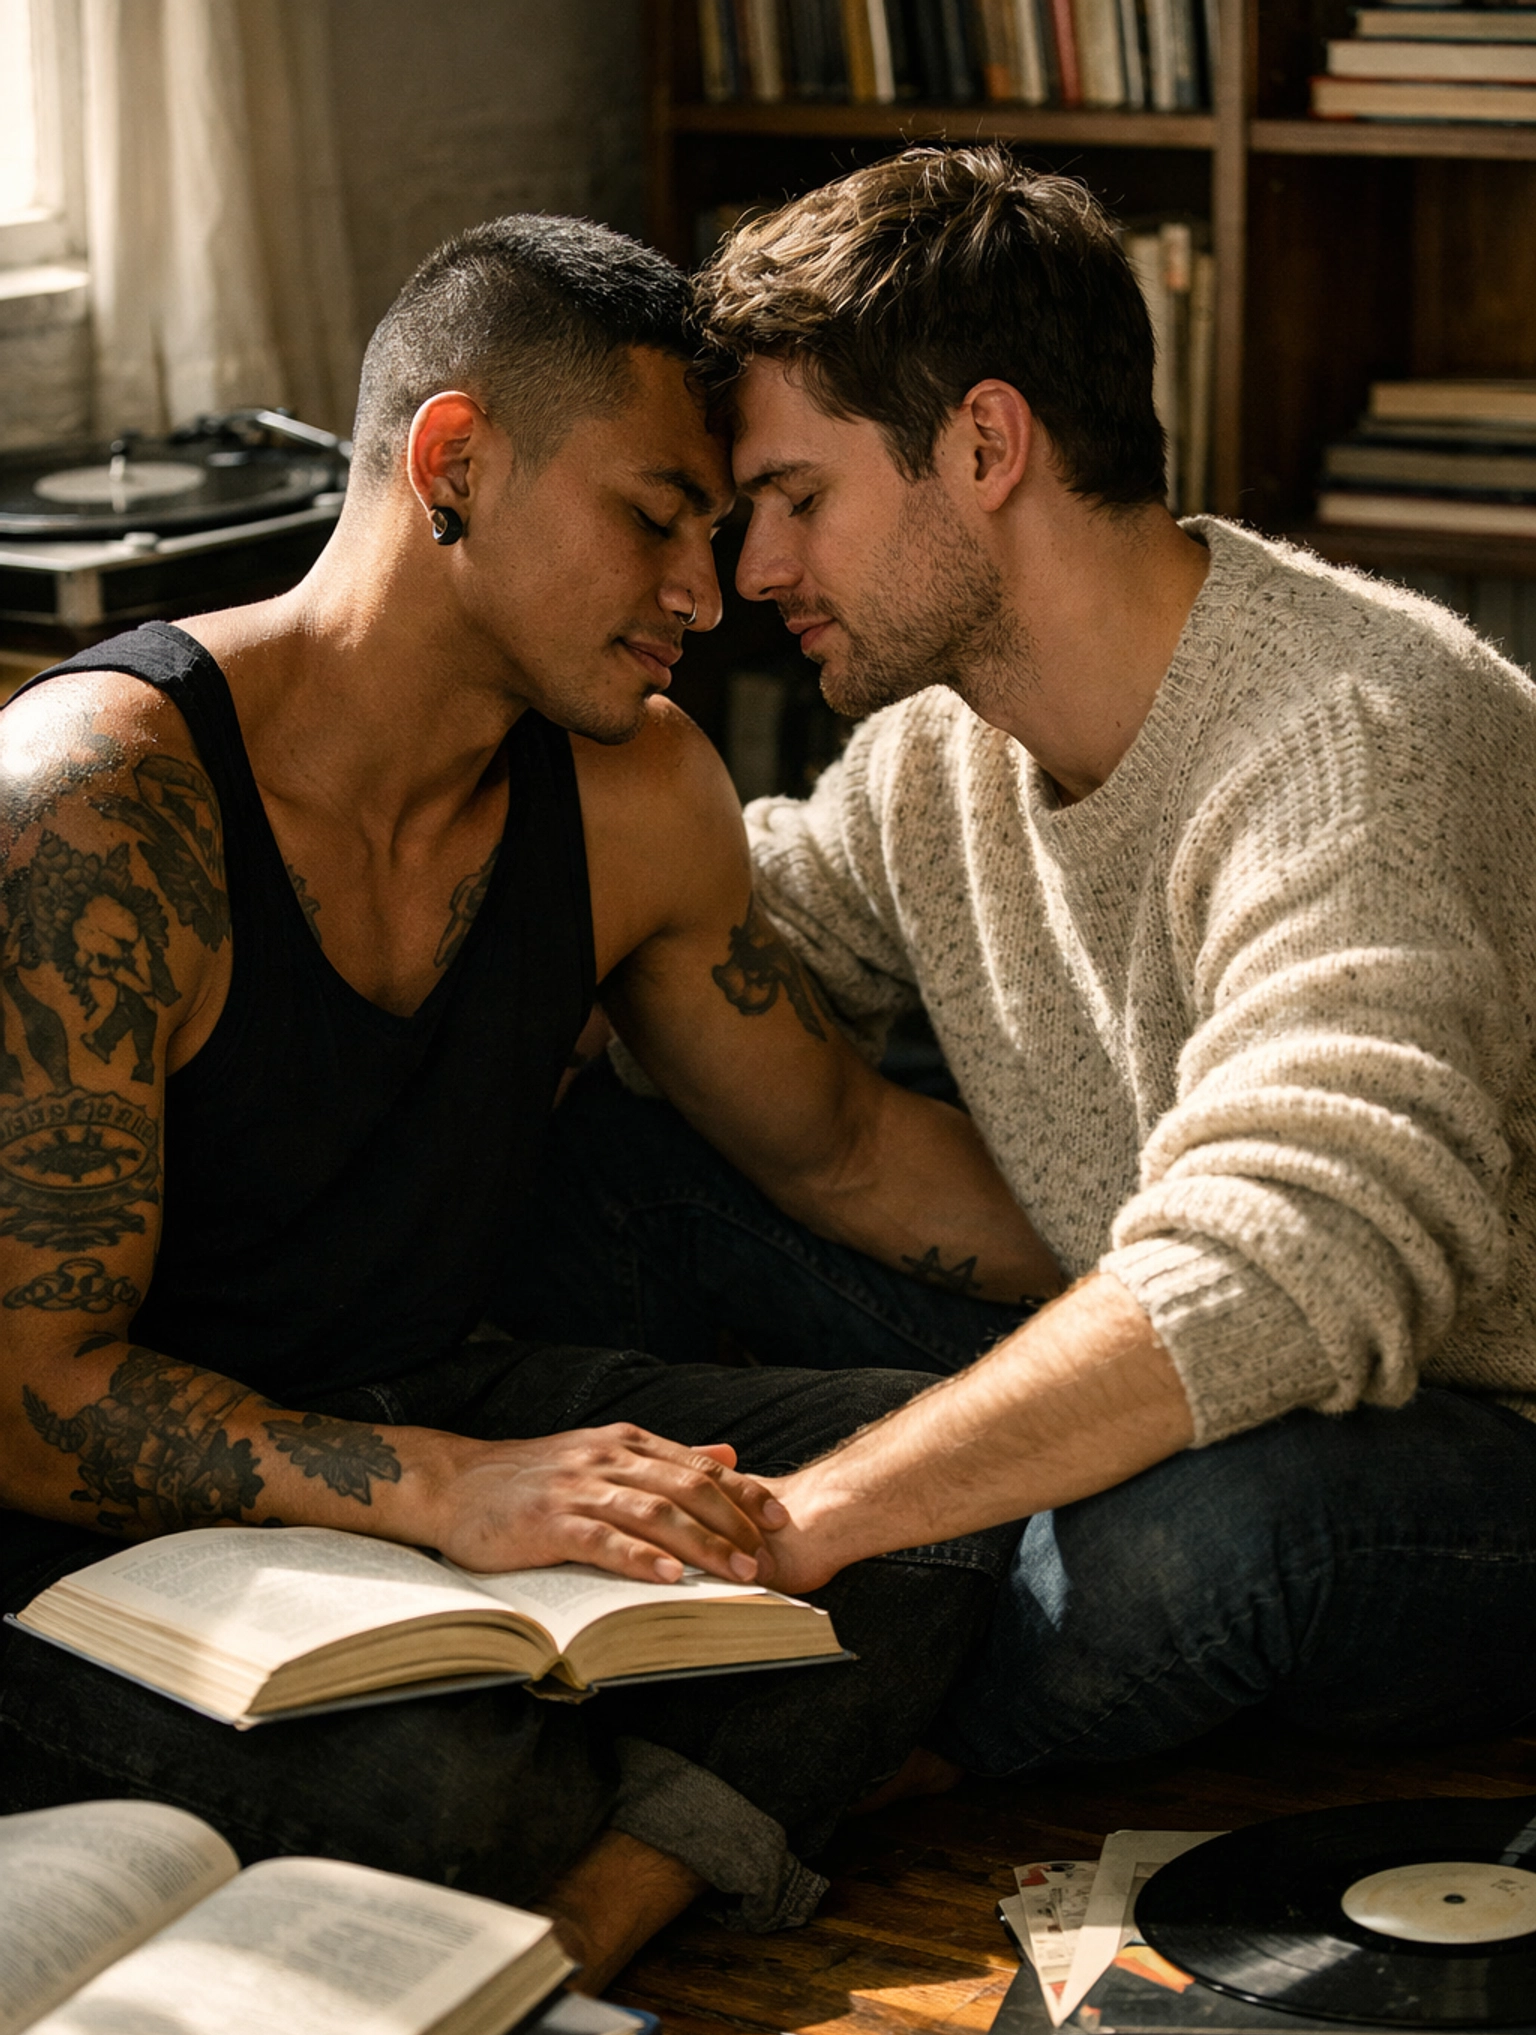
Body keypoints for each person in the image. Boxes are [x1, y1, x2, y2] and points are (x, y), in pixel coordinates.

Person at [0, 213, 1061, 1983]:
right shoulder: (96, 805)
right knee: (449, 1787)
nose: (710, 593)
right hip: (85, 1524)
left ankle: (584, 1934)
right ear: (454, 466)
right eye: (657, 518)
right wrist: (443, 1491)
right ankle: (623, 1830)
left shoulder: (636, 792)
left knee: (928, 1482)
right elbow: (30, 1397)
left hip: (437, 1405)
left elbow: (847, 1148)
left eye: (720, 532)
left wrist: (1188, 1286)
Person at [512, 148, 1536, 1779]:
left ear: (987, 444)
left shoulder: (1358, 739)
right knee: (619, 1179)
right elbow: (732, 927)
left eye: (797, 500)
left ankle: (768, 1720)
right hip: (1151, 1330)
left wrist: (823, 1510)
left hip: (1460, 1432)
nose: (752, 575)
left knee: (1196, 1539)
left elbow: (1293, 1262)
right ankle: (694, 1638)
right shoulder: (945, 752)